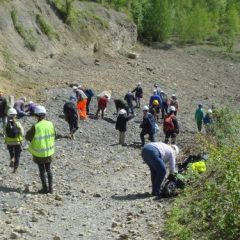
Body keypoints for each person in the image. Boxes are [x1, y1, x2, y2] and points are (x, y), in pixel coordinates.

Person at [26, 105, 56, 194]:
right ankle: (51, 189)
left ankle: (44, 188)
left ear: (37, 116)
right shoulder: (50, 124)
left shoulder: (36, 126)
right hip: (49, 151)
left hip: (39, 153)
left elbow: (28, 137)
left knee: (42, 171)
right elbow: (55, 134)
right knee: (49, 169)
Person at [4, 108, 24, 173]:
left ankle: (12, 158)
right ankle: (15, 169)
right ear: (15, 115)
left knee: (11, 153)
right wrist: (21, 138)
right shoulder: (17, 123)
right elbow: (22, 132)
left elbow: (5, 133)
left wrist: (6, 141)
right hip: (17, 142)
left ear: (8, 115)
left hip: (9, 142)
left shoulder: (6, 124)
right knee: (17, 155)